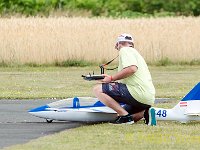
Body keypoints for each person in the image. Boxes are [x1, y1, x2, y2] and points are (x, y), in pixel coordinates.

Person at [93, 33, 156, 125]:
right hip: (147, 98)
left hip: (138, 93)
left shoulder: (125, 50)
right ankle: (145, 113)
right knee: (119, 114)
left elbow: (132, 69)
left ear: (118, 44)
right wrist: (112, 80)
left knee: (97, 89)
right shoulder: (135, 53)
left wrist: (111, 78)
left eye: (116, 46)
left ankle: (125, 117)